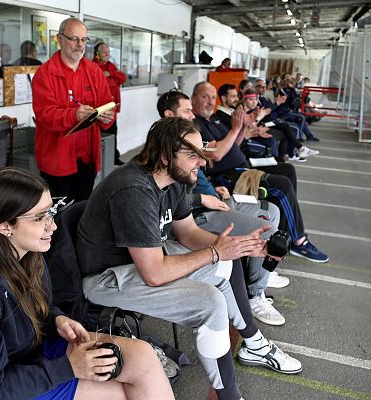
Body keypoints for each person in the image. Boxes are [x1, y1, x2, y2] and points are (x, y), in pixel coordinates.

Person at [77, 118, 303, 400]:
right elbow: (154, 273)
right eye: (192, 154)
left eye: (201, 152)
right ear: (165, 156)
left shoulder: (173, 178)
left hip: (140, 262)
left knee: (225, 262)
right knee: (211, 302)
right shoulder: (134, 189)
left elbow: (188, 233)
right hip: (107, 277)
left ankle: (254, 344)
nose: (202, 161)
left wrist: (238, 248)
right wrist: (215, 252)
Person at [0, 166, 174, 400]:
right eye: (39, 218)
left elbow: (26, 309)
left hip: (30, 351)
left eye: (51, 211)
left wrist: (56, 318)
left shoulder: (26, 253)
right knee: (124, 394)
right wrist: (68, 367)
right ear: (4, 227)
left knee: (143, 355)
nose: (53, 225)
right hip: (2, 387)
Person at [157, 90, 290, 325]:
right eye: (187, 111)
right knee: (266, 228)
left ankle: (260, 275)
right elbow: (167, 197)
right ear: (169, 115)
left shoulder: (190, 136)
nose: (192, 115)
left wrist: (212, 188)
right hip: (199, 213)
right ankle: (254, 295)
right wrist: (200, 199)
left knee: (272, 211)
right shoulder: (167, 148)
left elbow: (208, 164)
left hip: (216, 197)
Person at [191, 81, 329, 263]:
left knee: (287, 169)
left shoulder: (214, 120)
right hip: (228, 175)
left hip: (244, 166)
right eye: (205, 97)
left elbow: (236, 144)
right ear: (193, 99)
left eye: (212, 97)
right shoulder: (195, 126)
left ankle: (287, 231)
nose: (210, 102)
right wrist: (235, 128)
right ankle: (298, 241)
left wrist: (242, 127)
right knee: (281, 186)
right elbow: (216, 155)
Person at [32, 18, 115, 201]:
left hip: (87, 159)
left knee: (82, 209)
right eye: (74, 39)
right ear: (60, 39)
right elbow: (45, 115)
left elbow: (107, 103)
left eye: (84, 39)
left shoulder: (94, 71)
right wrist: (74, 115)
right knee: (59, 213)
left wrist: (107, 116)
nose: (80, 45)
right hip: (57, 162)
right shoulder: (45, 74)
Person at [241, 88, 319, 162]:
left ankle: (285, 157)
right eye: (251, 99)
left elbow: (266, 111)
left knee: (285, 131)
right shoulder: (242, 111)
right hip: (251, 134)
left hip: (264, 125)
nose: (254, 102)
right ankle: (282, 158)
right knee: (273, 138)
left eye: (255, 99)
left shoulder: (258, 106)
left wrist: (277, 103)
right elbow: (248, 128)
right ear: (244, 100)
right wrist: (259, 127)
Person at [93, 42, 127, 165]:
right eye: (104, 52)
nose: (108, 54)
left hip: (112, 109)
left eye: (108, 52)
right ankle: (99, 161)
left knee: (113, 134)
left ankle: (113, 158)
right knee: (98, 136)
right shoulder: (93, 66)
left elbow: (122, 78)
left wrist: (110, 74)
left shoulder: (110, 66)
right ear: (97, 53)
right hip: (100, 110)